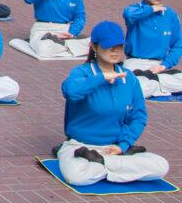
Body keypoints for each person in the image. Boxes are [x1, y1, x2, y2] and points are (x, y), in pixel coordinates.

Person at [58, 21, 169, 187]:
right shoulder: (82, 73)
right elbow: (70, 92)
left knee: (161, 166)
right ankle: (117, 168)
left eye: (119, 46)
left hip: (114, 149)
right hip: (81, 147)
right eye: (109, 46)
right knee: (76, 176)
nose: (115, 50)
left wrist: (123, 145)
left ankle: (103, 163)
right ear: (94, 47)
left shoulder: (129, 78)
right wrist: (101, 78)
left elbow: (139, 116)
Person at [122, 0, 182, 98]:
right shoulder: (136, 10)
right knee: (136, 87)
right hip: (135, 63)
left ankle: (155, 84)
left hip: (158, 67)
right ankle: (159, 86)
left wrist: (164, 65)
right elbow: (128, 14)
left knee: (141, 87)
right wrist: (151, 9)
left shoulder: (171, 15)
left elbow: (178, 46)